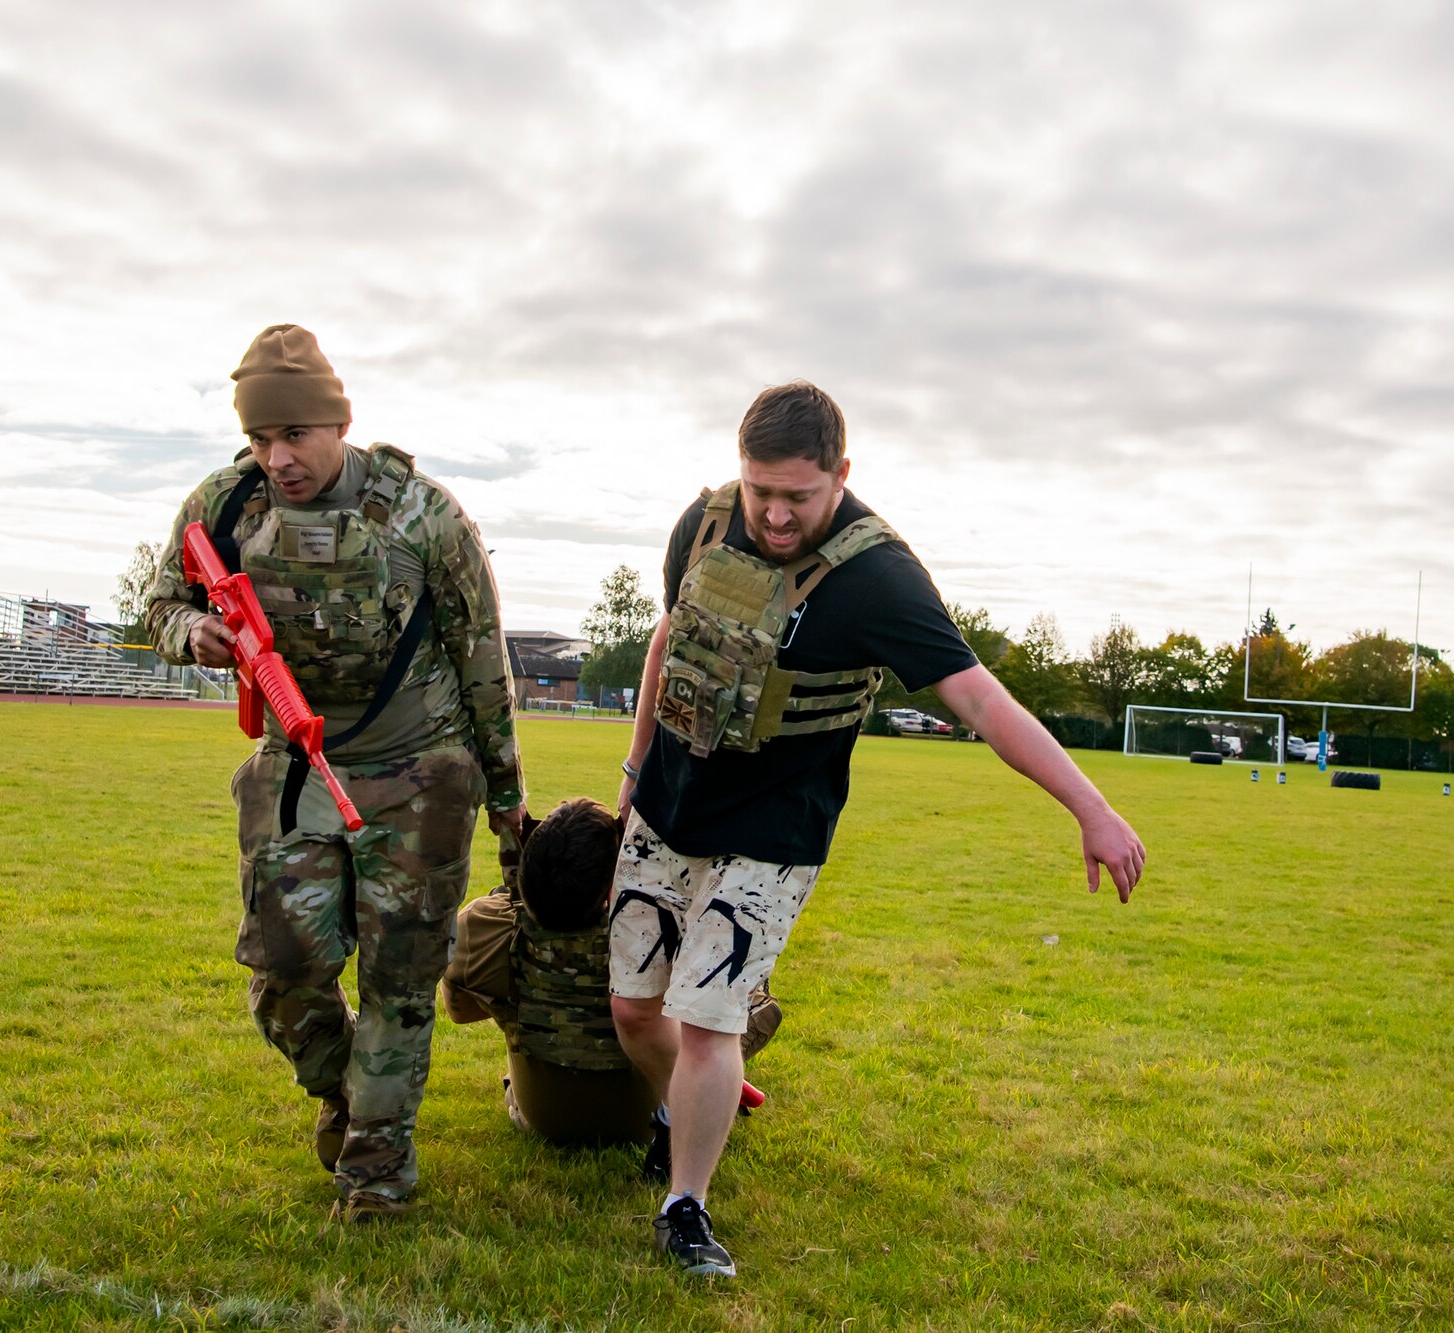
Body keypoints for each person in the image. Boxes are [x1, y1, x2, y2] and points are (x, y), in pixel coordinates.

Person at [610, 381, 1147, 1276]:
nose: (775, 516)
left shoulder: (880, 576)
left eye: (798, 496)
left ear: (841, 474)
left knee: (704, 1019)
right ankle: (688, 1103)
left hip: (778, 825)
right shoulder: (701, 527)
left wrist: (1091, 806)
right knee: (635, 1009)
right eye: (760, 491)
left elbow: (978, 696)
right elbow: (669, 641)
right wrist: (631, 770)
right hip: (668, 801)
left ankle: (685, 1203)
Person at [146, 324, 526, 1222]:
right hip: (295, 768)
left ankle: (376, 1178)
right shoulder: (222, 506)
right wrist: (187, 633)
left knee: (398, 984)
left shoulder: (423, 512)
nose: (277, 458)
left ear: (338, 423)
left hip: (420, 767)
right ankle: (352, 1095)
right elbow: (161, 600)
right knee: (283, 973)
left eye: (295, 437)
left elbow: (482, 656)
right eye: (259, 440)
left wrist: (505, 796)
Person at [441, 798, 780, 1147]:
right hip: (650, 1119)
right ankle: (706, 1086)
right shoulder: (664, 933)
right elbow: (746, 1002)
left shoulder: (491, 927)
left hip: (545, 1115)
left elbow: (460, 1010)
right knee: (751, 1006)